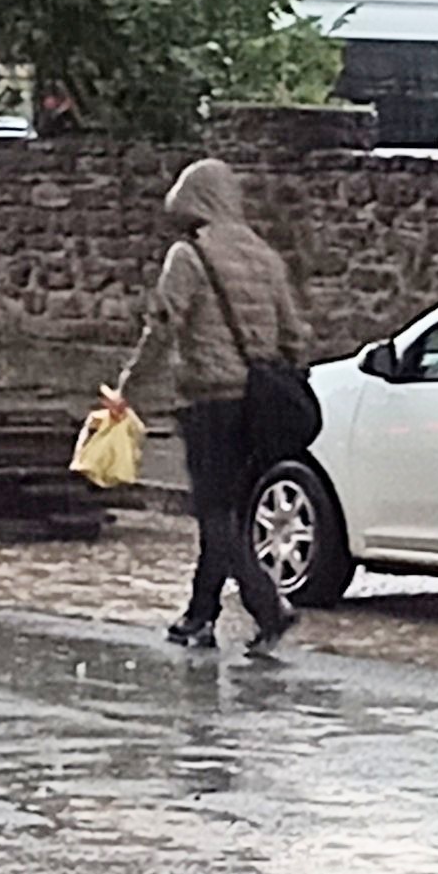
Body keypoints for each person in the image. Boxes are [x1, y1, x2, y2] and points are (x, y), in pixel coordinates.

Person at [103, 158, 312, 654]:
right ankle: (200, 616)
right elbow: (294, 337)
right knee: (229, 513)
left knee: (216, 514)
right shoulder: (264, 257)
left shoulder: (188, 256)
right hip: (258, 405)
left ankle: (267, 607)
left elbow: (162, 326)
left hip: (209, 400)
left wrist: (128, 388)